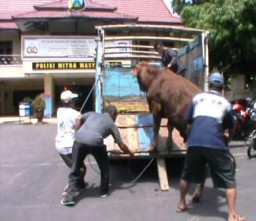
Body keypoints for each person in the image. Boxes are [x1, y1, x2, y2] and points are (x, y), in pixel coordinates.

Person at [176, 73, 245, 221]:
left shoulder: (197, 98)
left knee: (186, 174)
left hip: (194, 141)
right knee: (229, 179)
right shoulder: (225, 103)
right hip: (215, 143)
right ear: (222, 88)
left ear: (209, 85)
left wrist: (191, 139)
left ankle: (181, 204)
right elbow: (229, 129)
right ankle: (232, 214)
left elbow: (188, 123)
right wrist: (227, 140)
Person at [61, 105, 134, 206]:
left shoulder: (92, 114)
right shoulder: (111, 123)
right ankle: (103, 191)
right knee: (104, 167)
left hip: (78, 141)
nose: (115, 119)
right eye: (116, 116)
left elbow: (79, 118)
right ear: (112, 114)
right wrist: (130, 153)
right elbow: (121, 145)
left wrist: (78, 132)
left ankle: (70, 198)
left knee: (75, 168)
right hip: (96, 143)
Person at [55, 90, 86, 195]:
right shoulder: (76, 114)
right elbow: (78, 130)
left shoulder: (59, 111)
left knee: (77, 167)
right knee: (80, 169)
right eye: (73, 100)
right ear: (71, 101)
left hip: (59, 145)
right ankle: (70, 189)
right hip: (69, 146)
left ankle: (81, 184)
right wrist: (80, 118)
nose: (75, 101)